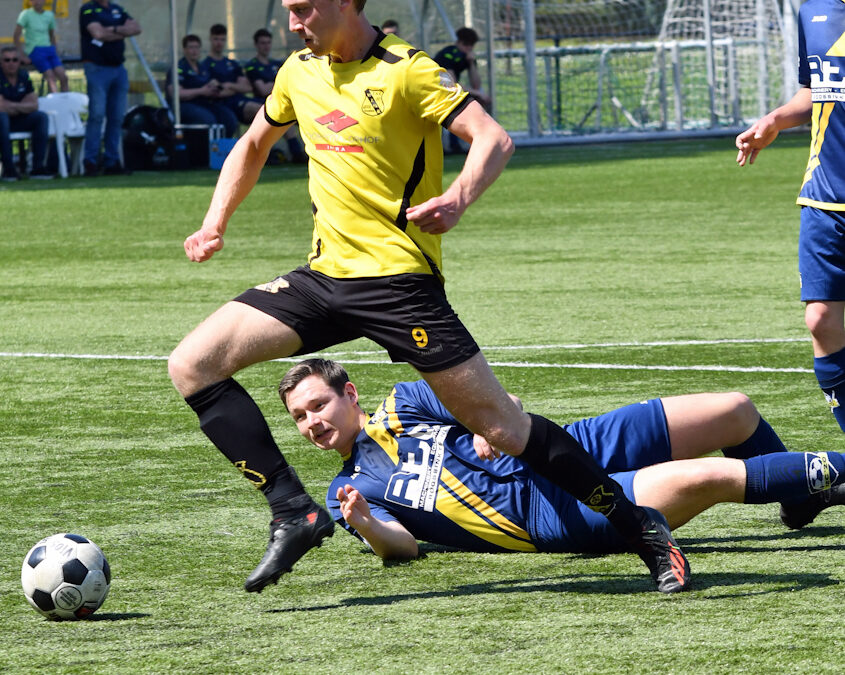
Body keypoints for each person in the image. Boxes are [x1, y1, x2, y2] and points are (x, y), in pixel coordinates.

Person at [168, 0, 690, 597]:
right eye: (288, 10)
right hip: (323, 278)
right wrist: (215, 222)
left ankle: (638, 524)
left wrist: (460, 198)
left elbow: (493, 138)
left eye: (303, 8)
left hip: (399, 284)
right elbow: (254, 144)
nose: (292, 22)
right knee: (192, 364)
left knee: (500, 424)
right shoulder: (297, 71)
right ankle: (293, 510)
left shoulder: (407, 69)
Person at [279, 358, 845, 562]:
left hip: (563, 447)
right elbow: (403, 547)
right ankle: (816, 478)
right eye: (300, 418)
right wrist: (366, 524)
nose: (313, 423)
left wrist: (492, 428)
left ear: (348, 394)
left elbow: (505, 404)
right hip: (542, 511)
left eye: (317, 406)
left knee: (734, 410)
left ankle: (796, 497)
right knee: (711, 475)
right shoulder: (346, 490)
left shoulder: (405, 400)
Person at [736, 0, 845, 434]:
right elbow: (818, 89)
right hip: (825, 193)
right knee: (821, 319)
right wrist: (778, 119)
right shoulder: (813, 9)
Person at [78, 0, 142, 176]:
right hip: (97, 68)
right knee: (97, 115)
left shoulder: (117, 9)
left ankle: (112, 161)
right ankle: (90, 162)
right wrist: (120, 30)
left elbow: (136, 28)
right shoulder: (88, 9)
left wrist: (110, 31)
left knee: (116, 117)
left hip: (118, 69)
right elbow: (97, 33)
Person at [243, 28, 306, 163]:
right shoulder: (252, 66)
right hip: (263, 103)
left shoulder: (277, 64)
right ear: (256, 45)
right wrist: (282, 84)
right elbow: (262, 89)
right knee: (283, 115)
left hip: (283, 101)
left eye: (268, 43)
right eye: (262, 43)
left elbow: (293, 82)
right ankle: (296, 152)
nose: (266, 46)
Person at [167, 35, 239, 138]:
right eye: (191, 47)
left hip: (204, 103)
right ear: (184, 50)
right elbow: (175, 93)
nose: (194, 51)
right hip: (183, 106)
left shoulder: (203, 68)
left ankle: (224, 150)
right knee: (207, 119)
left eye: (197, 47)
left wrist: (216, 87)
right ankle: (206, 151)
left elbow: (213, 86)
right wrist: (201, 91)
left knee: (229, 118)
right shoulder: (178, 68)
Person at [432, 27, 491, 154]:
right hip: (435, 91)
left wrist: (471, 64)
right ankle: (449, 144)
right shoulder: (447, 55)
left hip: (448, 90)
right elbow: (450, 84)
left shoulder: (466, 57)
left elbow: (476, 84)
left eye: (471, 45)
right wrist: (478, 93)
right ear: (458, 42)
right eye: (465, 44)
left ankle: (477, 139)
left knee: (480, 98)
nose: (468, 48)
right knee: (456, 105)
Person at [0, 45, 54, 181]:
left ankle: (37, 168)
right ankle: (9, 170)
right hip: (3, 122)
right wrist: (21, 105)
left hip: (19, 119)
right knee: (2, 118)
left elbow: (34, 104)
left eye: (14, 60)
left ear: (19, 62)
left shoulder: (24, 76)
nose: (11, 63)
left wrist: (11, 106)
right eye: (7, 60)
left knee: (41, 117)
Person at [203, 24, 262, 127]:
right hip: (223, 104)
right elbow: (216, 93)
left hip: (240, 99)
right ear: (210, 39)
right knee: (261, 111)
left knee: (275, 108)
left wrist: (229, 85)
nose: (219, 43)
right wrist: (236, 88)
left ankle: (292, 142)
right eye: (216, 39)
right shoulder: (205, 65)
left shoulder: (232, 63)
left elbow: (248, 87)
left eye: (222, 39)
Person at [13, 0, 69, 94]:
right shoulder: (26, 14)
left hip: (49, 50)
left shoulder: (49, 15)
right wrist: (22, 55)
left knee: (63, 77)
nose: (37, 2)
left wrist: (55, 50)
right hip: (35, 50)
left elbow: (51, 35)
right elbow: (16, 36)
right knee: (51, 78)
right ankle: (53, 104)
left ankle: (66, 102)